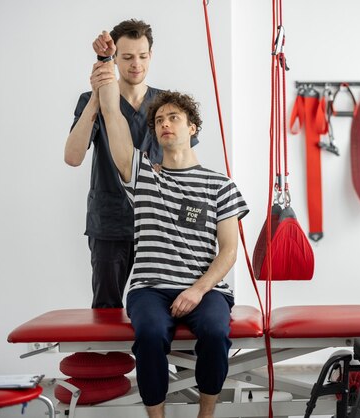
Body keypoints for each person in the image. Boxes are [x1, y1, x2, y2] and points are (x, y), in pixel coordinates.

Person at [94, 41, 248, 418]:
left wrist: (197, 290)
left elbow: (229, 250)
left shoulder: (220, 185)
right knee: (148, 335)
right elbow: (112, 116)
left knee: (214, 332)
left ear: (192, 127)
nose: (164, 123)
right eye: (159, 120)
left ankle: (206, 413)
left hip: (204, 288)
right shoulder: (143, 175)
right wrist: (106, 64)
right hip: (150, 289)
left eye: (174, 117)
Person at [64, 19, 196, 308]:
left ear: (151, 55)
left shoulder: (166, 106)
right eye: (126, 57)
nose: (136, 64)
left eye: (142, 56)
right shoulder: (91, 100)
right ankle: (111, 356)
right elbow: (72, 157)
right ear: (115, 61)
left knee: (166, 308)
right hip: (110, 222)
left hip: (160, 223)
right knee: (107, 309)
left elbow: (187, 164)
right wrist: (98, 96)